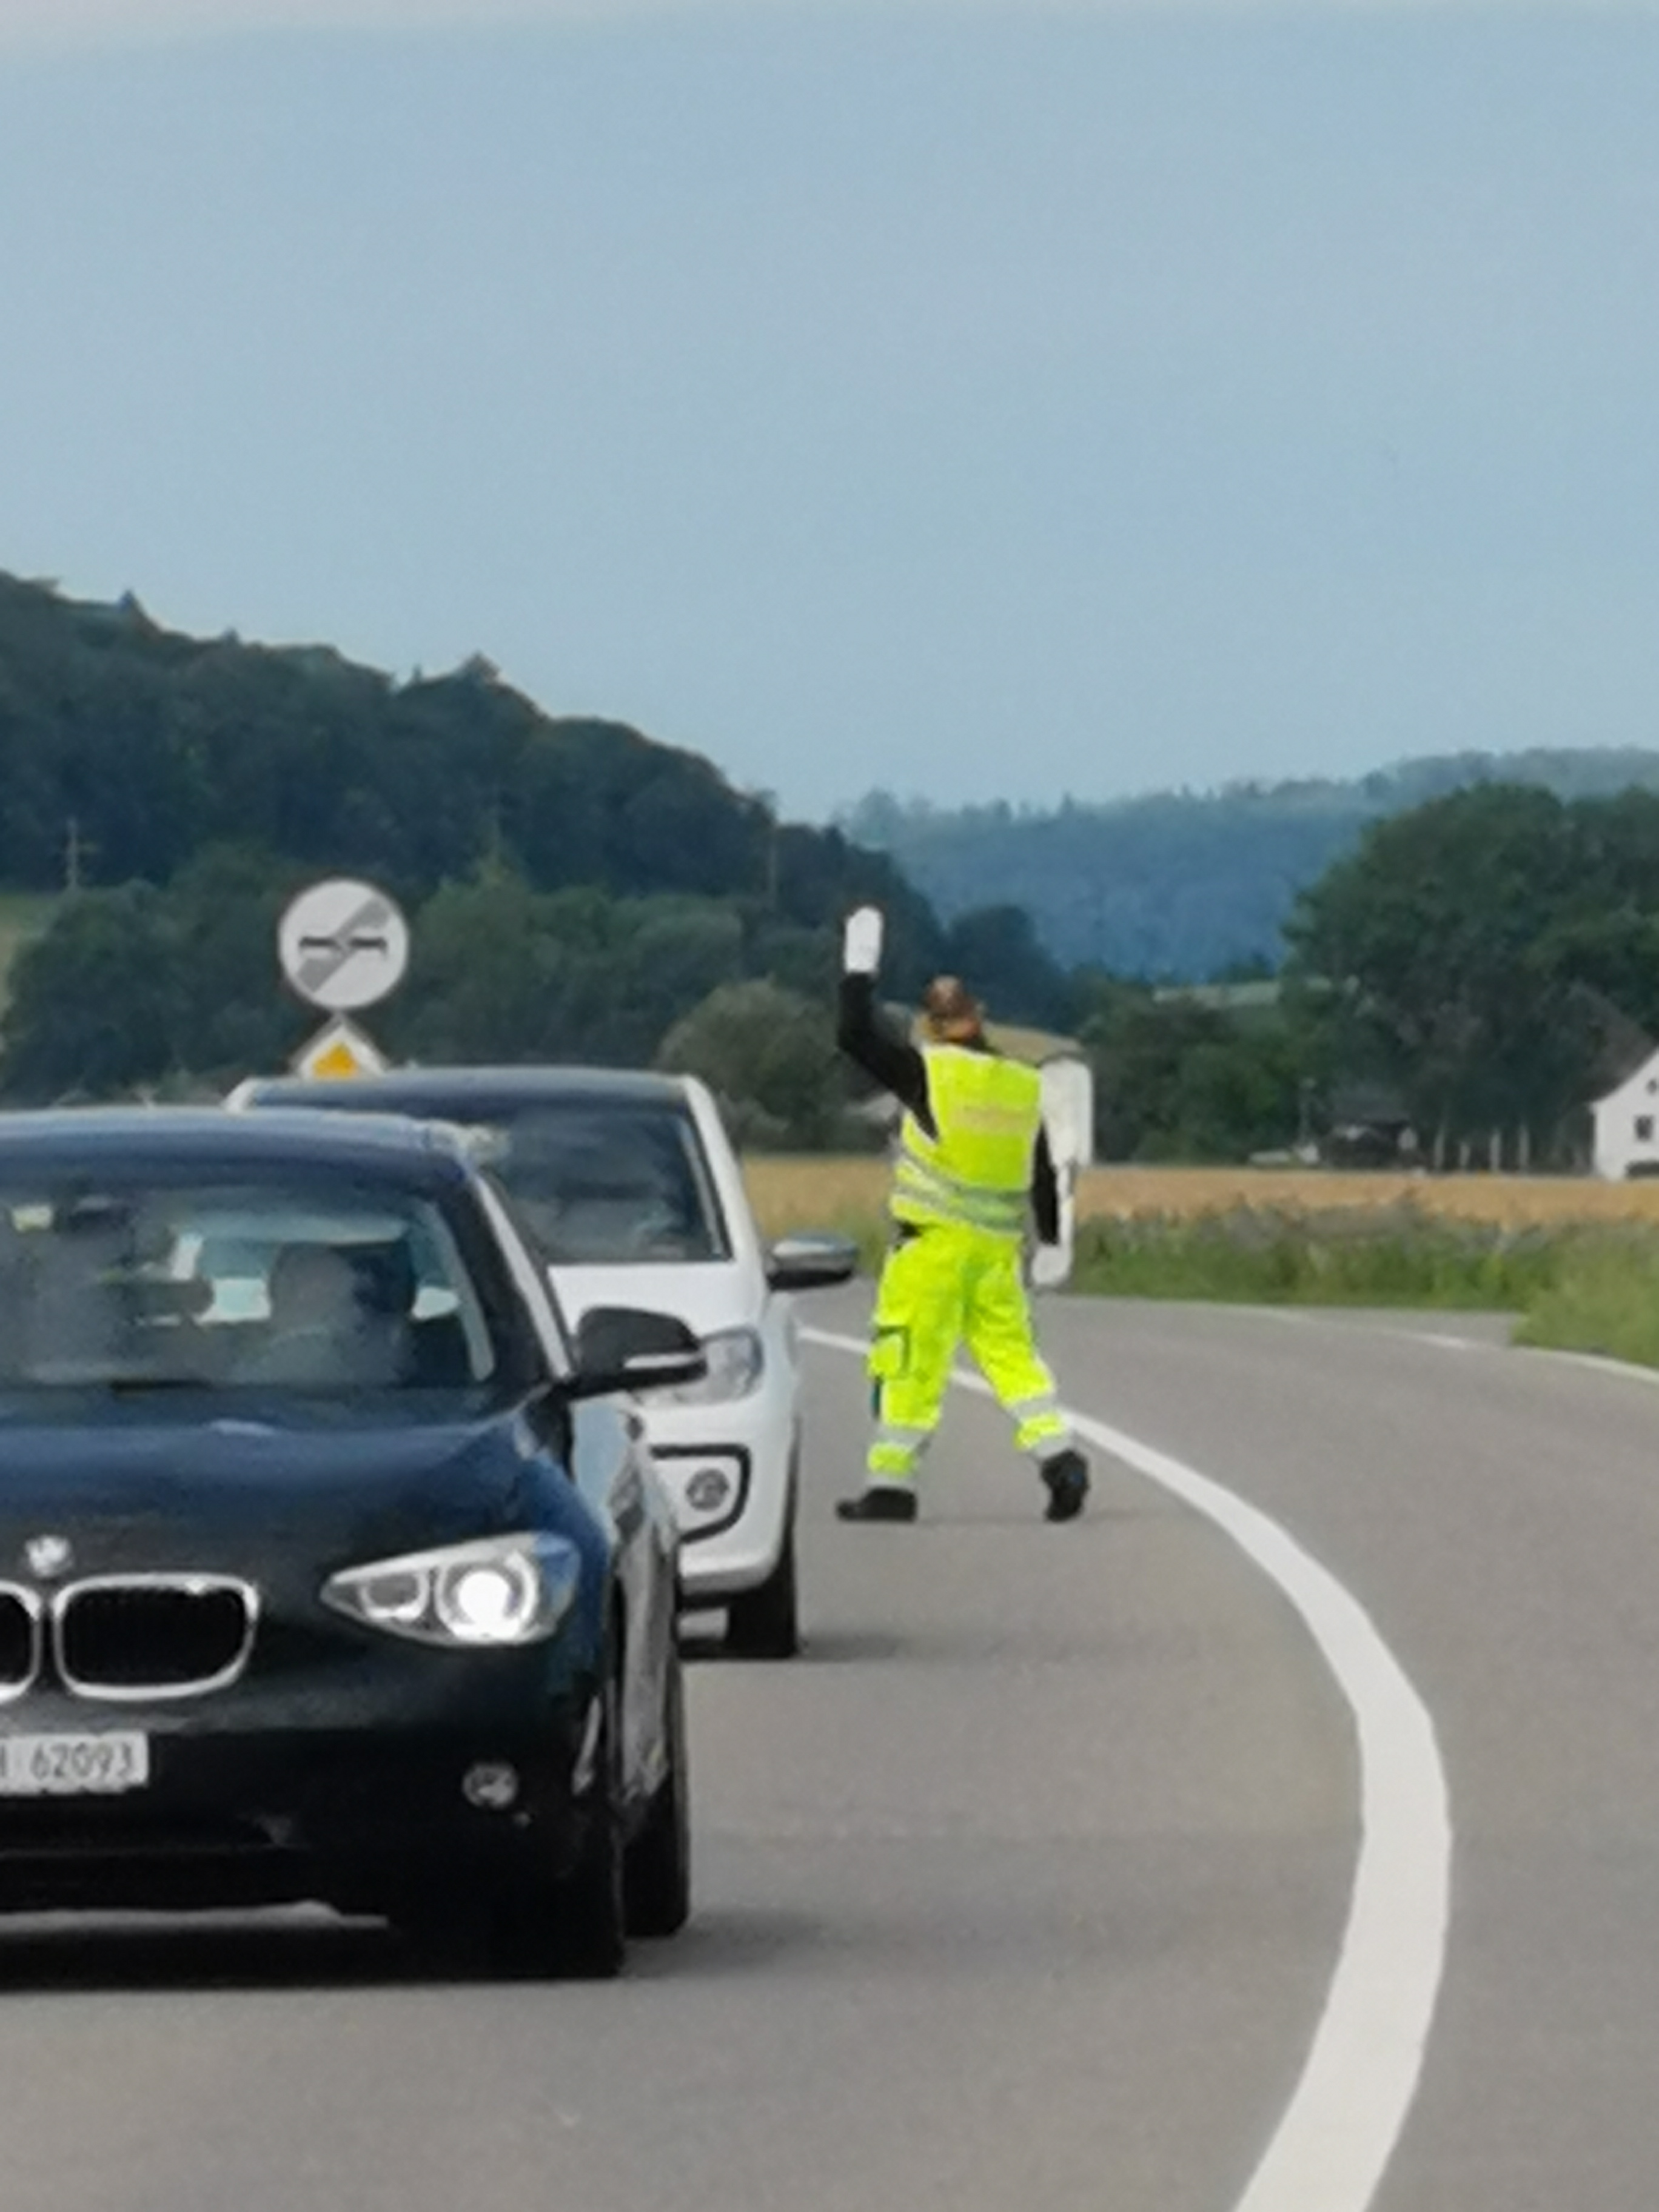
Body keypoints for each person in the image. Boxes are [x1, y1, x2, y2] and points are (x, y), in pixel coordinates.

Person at [833, 904, 1090, 1524]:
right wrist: (1053, 1241)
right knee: (1014, 1362)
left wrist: (857, 972)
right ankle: (1058, 1457)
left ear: (930, 1026)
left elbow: (854, 1038)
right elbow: (1041, 1172)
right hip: (996, 1255)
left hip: (931, 1251)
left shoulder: (927, 1071)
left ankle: (891, 1486)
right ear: (977, 1020)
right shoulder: (1018, 1084)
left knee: (909, 1363)